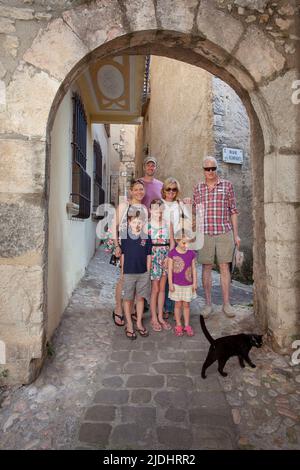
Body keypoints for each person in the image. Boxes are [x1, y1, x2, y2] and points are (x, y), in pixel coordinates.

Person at [193, 156, 241, 319]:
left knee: (224, 268)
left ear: (216, 169)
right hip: (205, 233)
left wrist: (236, 235)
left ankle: (226, 304)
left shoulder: (227, 185)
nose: (211, 172)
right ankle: (208, 304)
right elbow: (194, 211)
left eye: (213, 169)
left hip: (223, 232)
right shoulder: (198, 188)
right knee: (206, 268)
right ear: (203, 170)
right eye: (207, 169)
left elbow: (233, 211)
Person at [112, 179, 147, 327]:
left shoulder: (144, 209)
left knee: (135, 278)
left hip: (138, 249)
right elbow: (114, 226)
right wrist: (117, 246)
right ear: (131, 191)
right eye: (136, 189)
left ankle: (132, 308)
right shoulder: (124, 206)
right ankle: (118, 309)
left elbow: (143, 231)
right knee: (123, 278)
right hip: (124, 246)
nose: (139, 192)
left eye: (141, 189)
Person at [161, 177, 192, 320]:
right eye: (169, 189)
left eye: (174, 189)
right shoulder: (159, 204)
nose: (171, 192)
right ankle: (167, 307)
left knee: (178, 274)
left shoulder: (180, 205)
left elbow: (188, 222)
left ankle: (176, 307)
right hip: (162, 242)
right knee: (166, 275)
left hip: (179, 242)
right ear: (164, 190)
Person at [120, 207, 151, 340]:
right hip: (128, 273)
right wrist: (122, 272)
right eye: (134, 222)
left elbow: (149, 255)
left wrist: (148, 272)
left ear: (143, 223)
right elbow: (123, 255)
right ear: (129, 222)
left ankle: (138, 322)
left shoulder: (146, 237)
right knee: (128, 299)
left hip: (142, 273)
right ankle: (129, 325)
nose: (137, 224)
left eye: (139, 222)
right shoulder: (125, 237)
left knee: (140, 298)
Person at [148, 198, 174, 332]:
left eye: (161, 210)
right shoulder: (147, 225)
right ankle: (153, 317)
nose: (159, 212)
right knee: (155, 289)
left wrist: (169, 257)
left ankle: (160, 316)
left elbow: (172, 243)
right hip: (153, 258)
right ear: (150, 210)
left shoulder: (167, 224)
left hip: (165, 257)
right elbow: (144, 245)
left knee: (163, 289)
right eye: (156, 209)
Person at [168, 229, 197, 337]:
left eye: (188, 242)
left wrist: (195, 282)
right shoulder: (172, 253)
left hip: (188, 284)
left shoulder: (191, 254)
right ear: (177, 240)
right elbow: (170, 270)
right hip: (176, 284)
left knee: (186, 305)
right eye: (184, 242)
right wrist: (170, 283)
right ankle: (178, 324)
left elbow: (194, 269)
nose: (186, 245)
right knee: (177, 305)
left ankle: (187, 324)